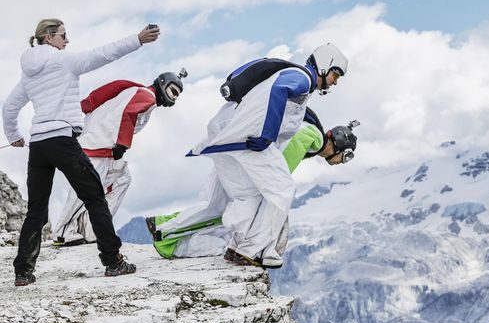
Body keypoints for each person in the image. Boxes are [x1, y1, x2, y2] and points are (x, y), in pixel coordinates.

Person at [2, 18, 159, 286]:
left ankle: (23, 272)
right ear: (49, 37)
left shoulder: (29, 73)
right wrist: (137, 40)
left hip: (39, 146)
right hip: (62, 140)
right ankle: (113, 262)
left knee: (36, 210)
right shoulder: (64, 61)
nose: (67, 41)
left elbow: (8, 107)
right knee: (96, 198)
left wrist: (14, 136)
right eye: (64, 36)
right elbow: (104, 54)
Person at [185, 44, 348, 269]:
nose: (335, 81)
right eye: (335, 74)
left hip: (230, 137)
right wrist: (267, 135)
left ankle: (237, 248)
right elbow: (280, 90)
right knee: (282, 189)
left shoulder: (299, 82)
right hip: (250, 140)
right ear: (324, 65)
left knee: (248, 194)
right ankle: (250, 249)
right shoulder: (303, 78)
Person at [147, 107, 358, 262]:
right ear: (339, 144)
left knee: (216, 205)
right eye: (346, 156)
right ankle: (167, 232)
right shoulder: (314, 137)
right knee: (238, 209)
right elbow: (280, 173)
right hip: (244, 159)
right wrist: (273, 183)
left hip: (230, 148)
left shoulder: (309, 129)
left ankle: (163, 223)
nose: (342, 162)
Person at [53, 68, 188, 247]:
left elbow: (105, 94)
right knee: (88, 188)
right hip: (97, 145)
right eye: (173, 91)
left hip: (103, 147)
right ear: (163, 83)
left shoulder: (138, 92)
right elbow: (128, 113)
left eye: (177, 95)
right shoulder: (147, 96)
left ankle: (92, 228)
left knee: (122, 179)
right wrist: (122, 144)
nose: (174, 97)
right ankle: (62, 232)